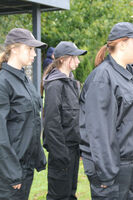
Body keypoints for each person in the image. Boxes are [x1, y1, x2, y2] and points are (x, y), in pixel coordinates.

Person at [79, 22, 133, 200]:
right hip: (114, 169)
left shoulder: (130, 75)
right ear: (123, 44)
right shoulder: (103, 77)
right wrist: (106, 173)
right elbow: (98, 131)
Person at [0, 28, 47, 200]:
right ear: (14, 49)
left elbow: (32, 121)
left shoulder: (25, 81)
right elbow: (1, 135)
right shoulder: (3, 82)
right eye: (30, 49)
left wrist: (38, 156)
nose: (34, 54)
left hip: (25, 168)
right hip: (9, 173)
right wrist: (12, 173)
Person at [42, 41, 87, 200]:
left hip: (73, 150)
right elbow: (51, 123)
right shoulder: (55, 84)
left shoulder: (71, 82)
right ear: (63, 59)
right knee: (58, 195)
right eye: (75, 58)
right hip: (61, 151)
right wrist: (61, 154)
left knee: (70, 194)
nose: (78, 61)